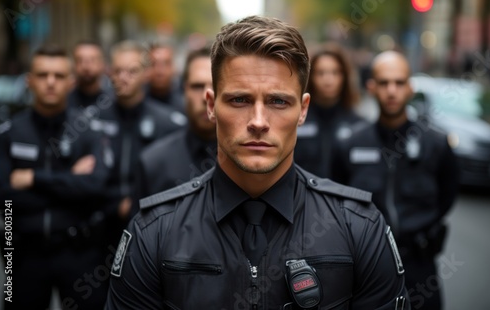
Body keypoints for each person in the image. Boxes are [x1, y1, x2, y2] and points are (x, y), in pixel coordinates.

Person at [106, 16, 410, 309]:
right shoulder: (153, 231)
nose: (258, 122)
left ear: (303, 110)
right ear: (211, 106)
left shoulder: (360, 227)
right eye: (240, 100)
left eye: (279, 101)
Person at [332, 50, 459, 310]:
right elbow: (337, 200)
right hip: (365, 269)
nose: (392, 91)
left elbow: (448, 194)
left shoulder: (435, 143)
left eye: (399, 82)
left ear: (410, 88)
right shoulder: (349, 145)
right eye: (384, 82)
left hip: (420, 268)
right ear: (371, 87)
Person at [0, 44, 109, 309]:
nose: (50, 82)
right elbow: (3, 195)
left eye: (58, 76)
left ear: (70, 82)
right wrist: (70, 181)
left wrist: (34, 179)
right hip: (22, 254)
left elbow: (95, 188)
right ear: (29, 81)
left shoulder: (88, 131)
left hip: (79, 253)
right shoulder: (9, 133)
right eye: (42, 74)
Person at [94, 40, 187, 248]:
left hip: (153, 229)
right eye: (118, 70)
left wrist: (138, 203)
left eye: (132, 71)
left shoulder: (168, 123)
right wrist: (114, 204)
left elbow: (175, 178)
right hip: (100, 230)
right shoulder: (94, 121)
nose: (123, 77)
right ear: (109, 73)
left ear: (146, 73)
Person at [135, 46, 216, 202]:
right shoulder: (153, 163)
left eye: (216, 86)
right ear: (184, 89)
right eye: (197, 86)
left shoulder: (251, 163)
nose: (207, 97)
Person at [294, 43, 366, 178]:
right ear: (310, 77)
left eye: (335, 72)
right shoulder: (297, 120)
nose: (328, 80)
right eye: (320, 73)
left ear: (344, 77)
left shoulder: (359, 125)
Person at [69, 40, 113, 115]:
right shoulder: (63, 103)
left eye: (92, 60)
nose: (86, 67)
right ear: (73, 65)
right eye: (80, 60)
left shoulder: (115, 102)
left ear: (103, 64)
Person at [145, 41, 185, 113]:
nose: (159, 71)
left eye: (166, 63)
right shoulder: (136, 102)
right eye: (153, 64)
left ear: (174, 67)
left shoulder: (185, 103)